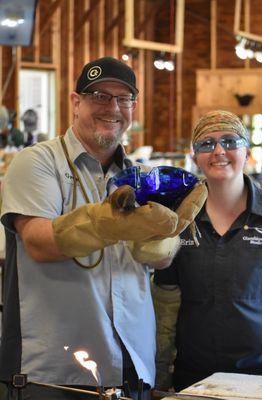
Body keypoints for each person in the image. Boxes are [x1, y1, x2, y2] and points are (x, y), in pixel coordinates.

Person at [0, 56, 206, 400]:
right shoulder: (36, 162)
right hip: (54, 370)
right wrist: (113, 223)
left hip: (132, 365)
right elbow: (39, 243)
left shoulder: (144, 178)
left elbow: (159, 261)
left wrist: (165, 241)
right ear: (75, 102)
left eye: (122, 99)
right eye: (99, 96)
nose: (112, 107)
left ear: (133, 107)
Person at [153, 110, 262, 391]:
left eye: (230, 141)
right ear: (195, 157)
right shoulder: (178, 216)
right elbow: (166, 303)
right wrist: (159, 371)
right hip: (198, 377)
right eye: (207, 144)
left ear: (246, 151)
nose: (219, 151)